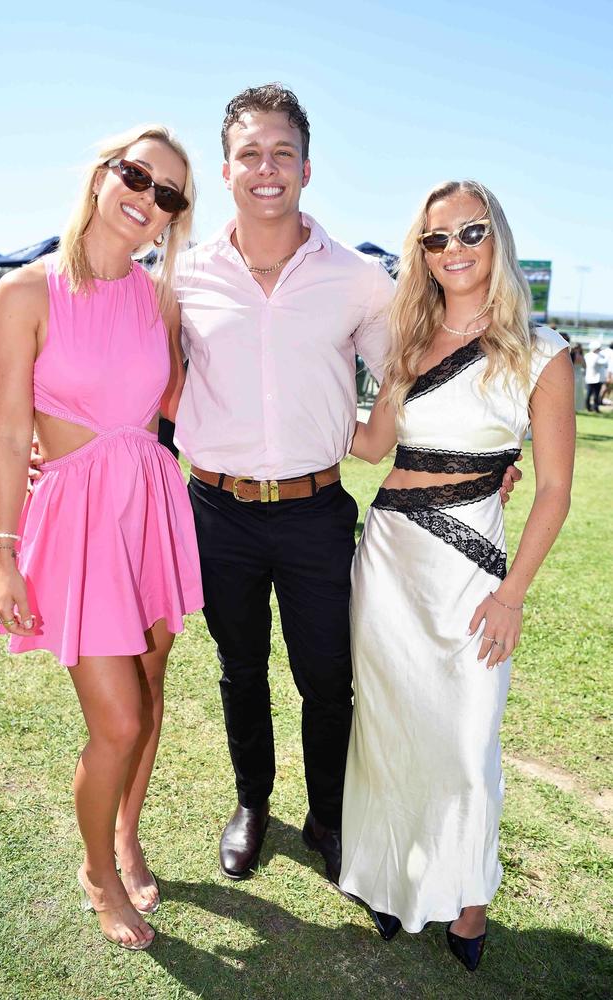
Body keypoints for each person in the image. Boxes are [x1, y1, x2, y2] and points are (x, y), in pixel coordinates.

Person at [173, 84, 520, 886]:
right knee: (238, 667)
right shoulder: (184, 278)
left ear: (306, 167)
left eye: (282, 153)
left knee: (327, 676)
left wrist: (479, 461)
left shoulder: (360, 280)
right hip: (215, 508)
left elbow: (416, 374)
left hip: (314, 511)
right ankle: (253, 803)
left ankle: (327, 816)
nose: (268, 169)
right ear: (227, 170)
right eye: (251, 154)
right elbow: (141, 379)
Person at [339, 180, 574, 971]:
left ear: (496, 237)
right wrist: (281, 397)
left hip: (472, 573)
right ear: (422, 254)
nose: (454, 250)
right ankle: (386, 876)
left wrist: (512, 596)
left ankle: (469, 902)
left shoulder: (542, 356)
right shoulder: (408, 341)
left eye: (469, 232)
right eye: (436, 240)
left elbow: (556, 491)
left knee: (467, 741)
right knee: (387, 726)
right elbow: (372, 447)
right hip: (388, 560)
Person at [0, 125, 203, 951]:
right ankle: (96, 871)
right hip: (74, 525)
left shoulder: (160, 299)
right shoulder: (26, 293)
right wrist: (5, 554)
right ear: (103, 173)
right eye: (137, 175)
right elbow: (9, 438)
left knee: (149, 690)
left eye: (168, 194)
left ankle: (126, 832)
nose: (147, 198)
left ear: (173, 218)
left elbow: (185, 404)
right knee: (117, 720)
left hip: (149, 509)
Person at [584, 341, 607, 412]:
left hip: (590, 378)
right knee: (595, 394)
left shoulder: (587, 355)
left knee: (589, 393)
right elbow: (604, 362)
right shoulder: (597, 356)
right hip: (595, 378)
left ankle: (588, 407)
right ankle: (595, 407)